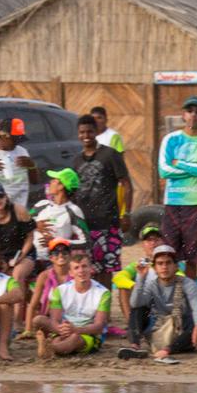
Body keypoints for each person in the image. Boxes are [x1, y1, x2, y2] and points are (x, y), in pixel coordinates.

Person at [157, 95, 197, 279]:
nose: (193, 115)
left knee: (193, 258)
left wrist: (181, 163)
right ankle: (173, 298)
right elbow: (164, 171)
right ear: (183, 115)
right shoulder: (171, 139)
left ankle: (189, 297)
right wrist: (196, 169)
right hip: (173, 202)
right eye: (189, 111)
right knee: (170, 254)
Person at [73, 115, 132, 288]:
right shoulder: (76, 160)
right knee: (87, 268)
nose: (86, 136)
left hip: (108, 220)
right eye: (82, 132)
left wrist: (126, 213)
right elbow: (73, 190)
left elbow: (126, 184)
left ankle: (104, 309)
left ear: (96, 132)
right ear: (78, 134)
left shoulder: (110, 154)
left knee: (106, 268)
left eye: (90, 131)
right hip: (85, 223)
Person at [120, 245, 197, 363]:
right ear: (154, 268)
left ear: (176, 266)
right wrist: (140, 277)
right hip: (159, 328)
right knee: (137, 311)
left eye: (168, 263)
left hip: (181, 331)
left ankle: (167, 350)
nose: (164, 267)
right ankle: (135, 346)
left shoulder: (187, 283)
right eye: (160, 263)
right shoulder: (151, 284)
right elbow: (135, 304)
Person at [33, 251, 112, 359]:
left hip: (87, 333)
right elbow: (55, 319)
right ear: (70, 273)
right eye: (76, 268)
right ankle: (52, 346)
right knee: (38, 320)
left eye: (84, 266)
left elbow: (99, 326)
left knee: (74, 338)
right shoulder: (60, 290)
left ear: (91, 269)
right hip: (64, 328)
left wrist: (76, 330)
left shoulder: (103, 293)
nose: (81, 271)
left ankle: (50, 348)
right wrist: (62, 329)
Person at [0, 181, 36, 307]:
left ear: (6, 197)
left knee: (17, 275)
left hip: (25, 252)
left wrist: (21, 255)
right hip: (3, 254)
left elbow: (30, 237)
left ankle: (17, 317)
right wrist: (0, 260)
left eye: (0, 197)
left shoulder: (18, 210)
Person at [24, 238, 74, 340]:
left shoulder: (76, 274)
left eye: (64, 252)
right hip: (51, 319)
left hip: (72, 318)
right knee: (38, 320)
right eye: (56, 253)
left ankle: (63, 333)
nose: (60, 255)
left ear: (70, 255)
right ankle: (61, 333)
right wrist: (28, 330)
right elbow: (32, 305)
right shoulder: (44, 276)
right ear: (51, 257)